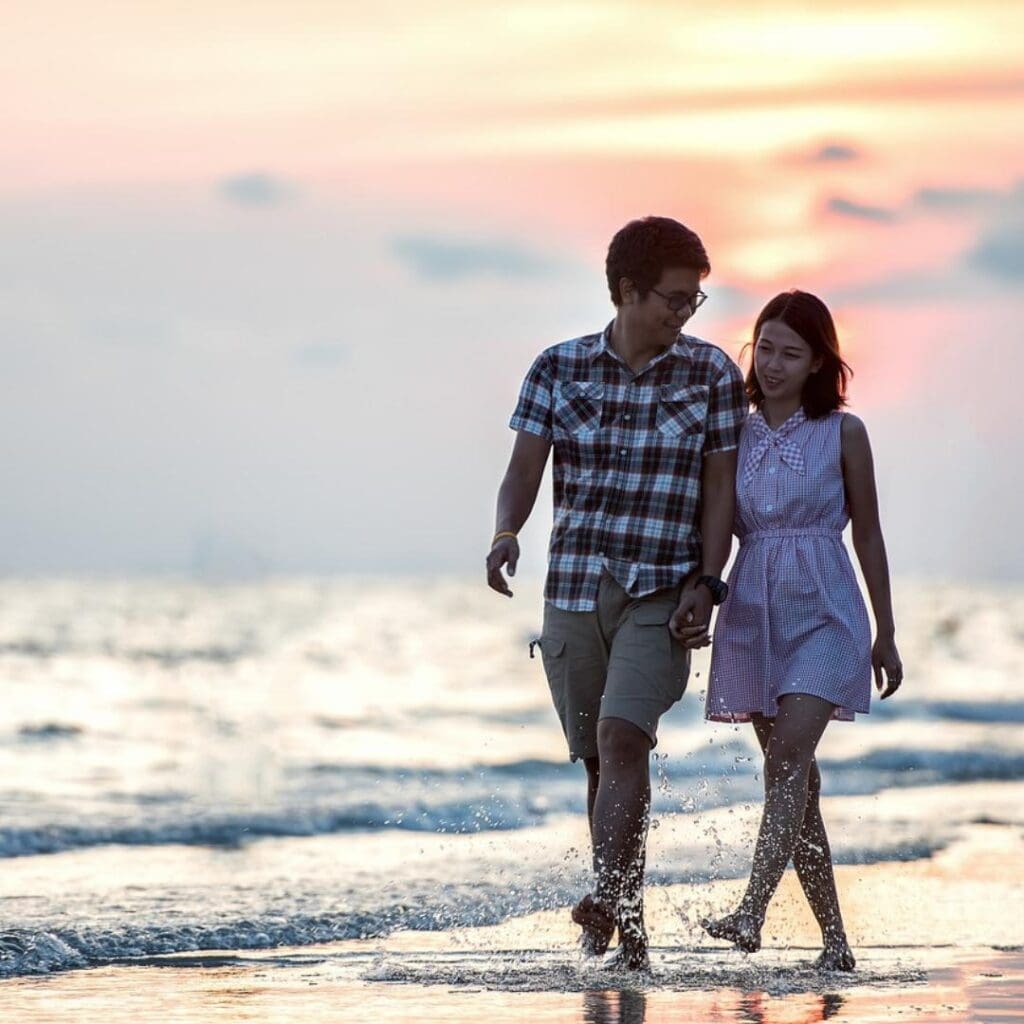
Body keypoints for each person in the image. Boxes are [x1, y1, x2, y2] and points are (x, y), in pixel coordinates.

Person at [486, 216, 746, 971]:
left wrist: (708, 580)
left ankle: (604, 897)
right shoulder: (557, 369)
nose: (685, 313)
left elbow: (720, 492)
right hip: (573, 587)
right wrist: (506, 533)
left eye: (695, 300)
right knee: (602, 765)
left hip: (662, 591)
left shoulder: (710, 375)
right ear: (629, 292)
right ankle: (626, 929)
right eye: (674, 299)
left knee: (622, 737)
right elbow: (523, 470)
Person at [699, 289, 903, 971]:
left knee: (787, 762)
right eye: (767, 348)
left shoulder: (844, 433)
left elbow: (868, 532)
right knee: (796, 784)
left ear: (820, 361)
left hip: (827, 612)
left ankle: (751, 912)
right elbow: (717, 528)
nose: (776, 363)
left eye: (793, 352)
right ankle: (836, 945)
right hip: (753, 613)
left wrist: (886, 630)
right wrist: (697, 597)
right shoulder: (733, 429)